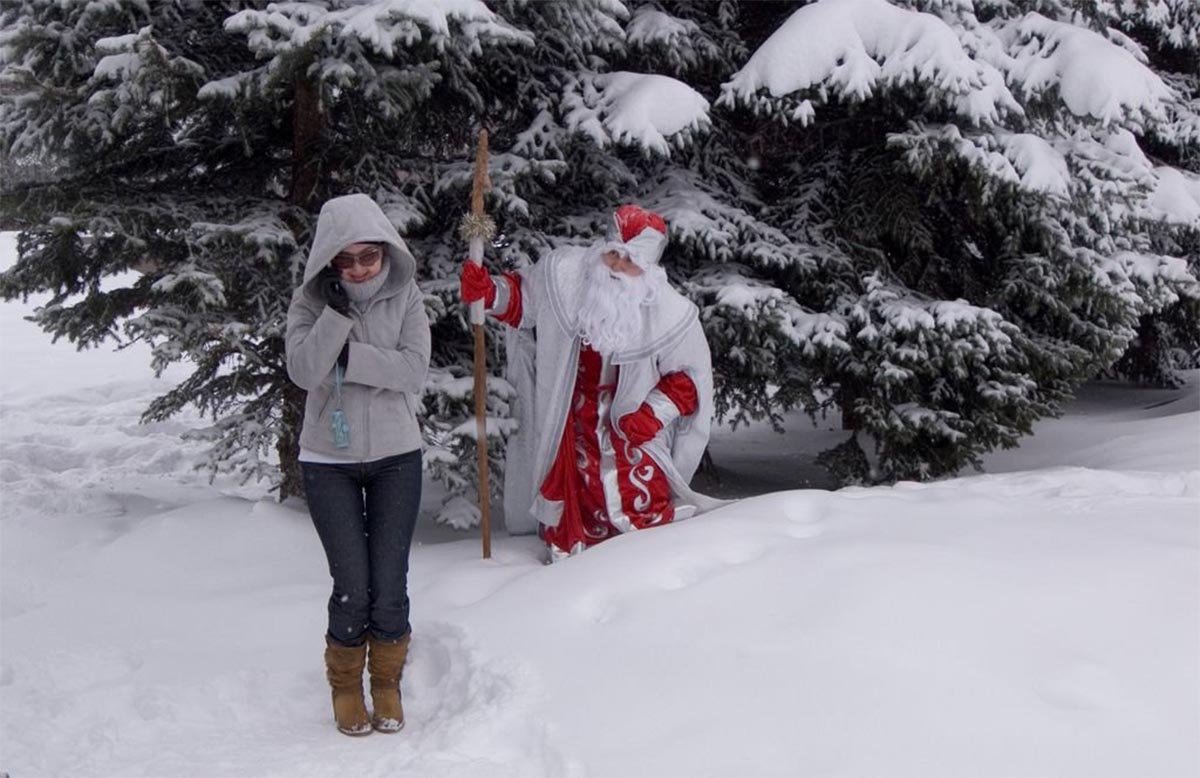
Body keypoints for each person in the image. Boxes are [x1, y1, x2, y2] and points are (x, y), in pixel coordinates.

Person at [460, 204, 719, 561]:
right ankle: (575, 565)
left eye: (629, 262)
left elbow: (689, 380)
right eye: (612, 255)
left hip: (628, 434)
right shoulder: (564, 274)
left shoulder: (671, 314)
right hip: (570, 427)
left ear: (646, 270)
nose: (615, 267)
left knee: (637, 515)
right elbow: (524, 301)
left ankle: (638, 572)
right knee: (574, 507)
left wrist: (651, 414)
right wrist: (489, 292)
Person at [285, 193, 430, 736]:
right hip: (328, 459)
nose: (360, 269)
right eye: (345, 261)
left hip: (396, 455)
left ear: (386, 250)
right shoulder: (310, 304)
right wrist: (333, 319)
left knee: (389, 582)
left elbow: (414, 370)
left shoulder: (406, 295)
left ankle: (386, 682)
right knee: (351, 582)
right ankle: (346, 686)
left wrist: (349, 357)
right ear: (329, 261)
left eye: (368, 256)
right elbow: (303, 370)